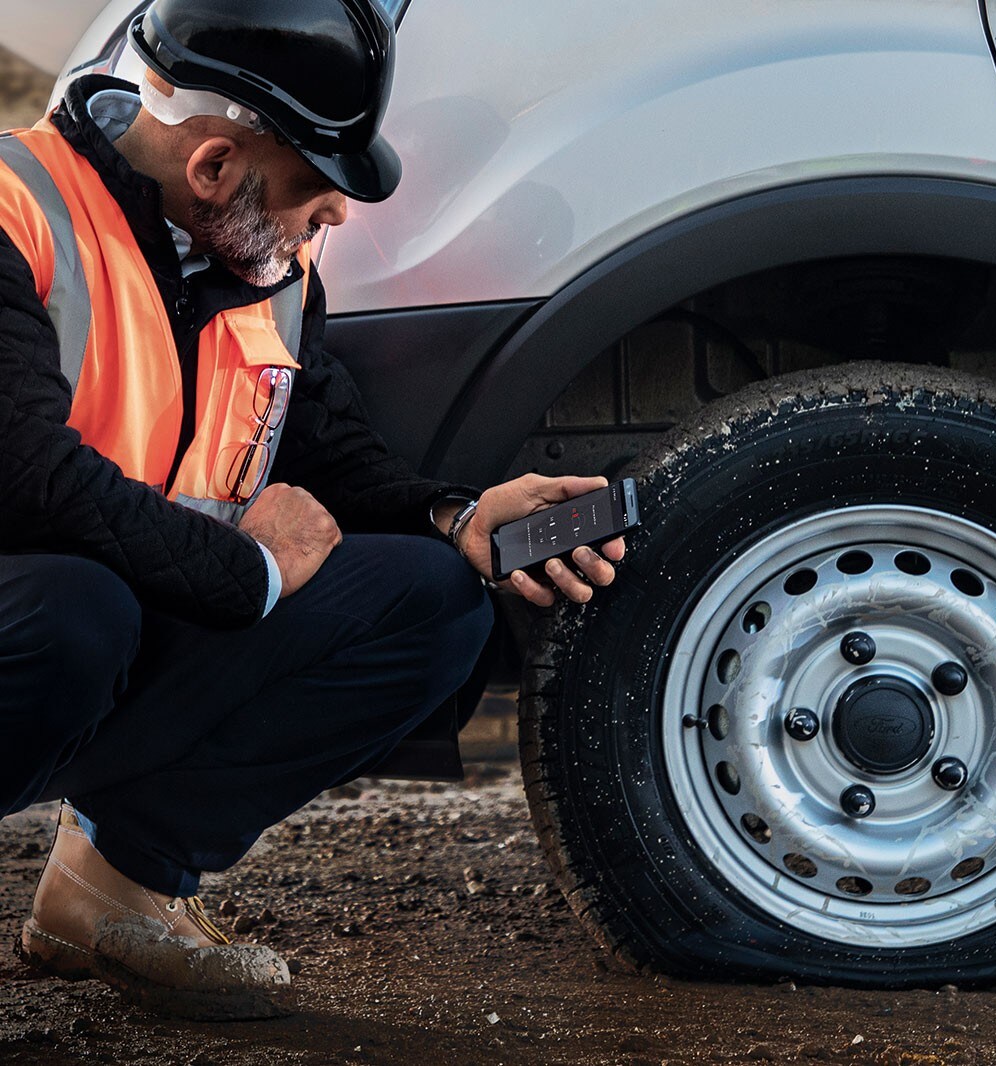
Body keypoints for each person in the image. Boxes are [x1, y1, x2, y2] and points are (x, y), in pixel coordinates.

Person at [0, 0, 624, 1020]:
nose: (334, 215)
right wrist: (249, 574)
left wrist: (454, 516)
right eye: (315, 189)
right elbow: (22, 473)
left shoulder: (264, 260)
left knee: (433, 600)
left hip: (120, 612)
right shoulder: (13, 208)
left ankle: (115, 884)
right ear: (212, 166)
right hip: (44, 621)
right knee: (74, 612)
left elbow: (323, 440)